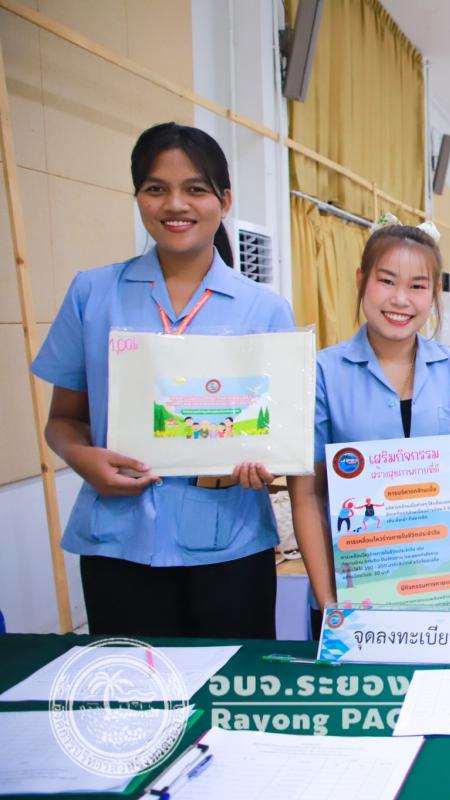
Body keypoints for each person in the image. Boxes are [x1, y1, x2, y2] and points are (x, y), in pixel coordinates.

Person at [31, 122, 294, 638]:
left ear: (224, 200)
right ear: (138, 197)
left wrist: (267, 461)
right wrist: (82, 459)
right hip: (117, 542)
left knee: (232, 682)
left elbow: (281, 436)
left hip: (231, 544)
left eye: (195, 188)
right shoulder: (93, 294)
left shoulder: (265, 310)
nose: (175, 204)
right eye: (156, 188)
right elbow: (62, 420)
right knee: (130, 683)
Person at [288, 218, 450, 635]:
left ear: (434, 293)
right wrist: (330, 602)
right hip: (354, 592)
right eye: (386, 281)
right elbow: (307, 495)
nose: (400, 299)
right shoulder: (322, 373)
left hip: (448, 588)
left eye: (418, 286)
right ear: (361, 281)